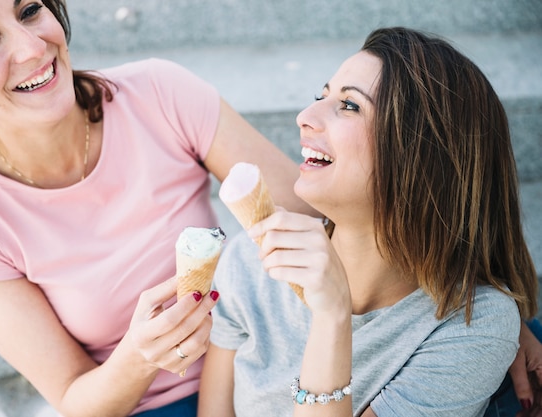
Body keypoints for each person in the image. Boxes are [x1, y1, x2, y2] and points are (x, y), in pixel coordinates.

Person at [0, 0, 319, 416]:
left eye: (30, 10)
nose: (33, 48)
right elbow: (76, 400)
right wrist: (140, 355)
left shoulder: (159, 93)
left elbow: (316, 224)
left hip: (269, 363)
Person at [199, 27, 539, 417]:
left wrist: (331, 316)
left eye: (349, 105)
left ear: (422, 155)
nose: (304, 117)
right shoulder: (250, 261)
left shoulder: (473, 325)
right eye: (321, 96)